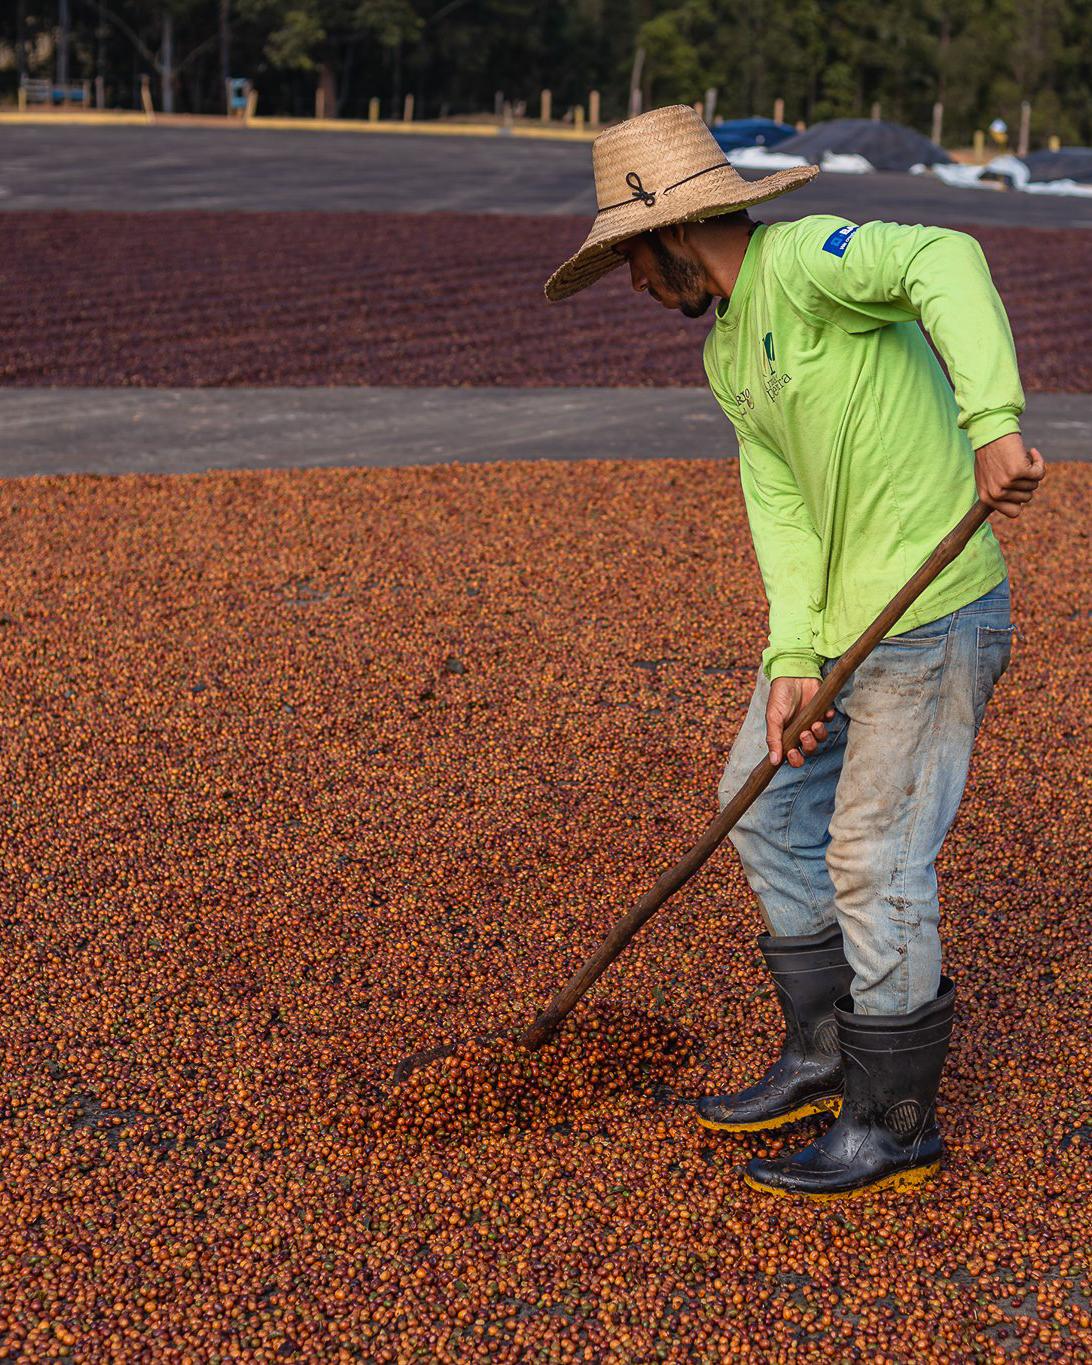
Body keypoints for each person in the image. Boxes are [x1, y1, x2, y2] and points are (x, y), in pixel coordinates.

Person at [544, 104, 1045, 1199]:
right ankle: (823, 1055)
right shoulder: (729, 351)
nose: (630, 283)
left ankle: (894, 1119)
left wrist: (991, 421)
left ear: (677, 230)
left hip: (936, 615)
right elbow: (781, 508)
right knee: (761, 799)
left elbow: (946, 257)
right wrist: (792, 661)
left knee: (874, 858)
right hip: (847, 634)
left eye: (629, 256)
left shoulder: (809, 265)